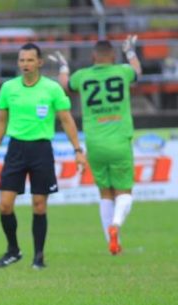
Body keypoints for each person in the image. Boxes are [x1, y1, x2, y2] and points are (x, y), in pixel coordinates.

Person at [0, 43, 86, 270]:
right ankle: (13, 250)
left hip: (41, 150)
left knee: (39, 205)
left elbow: (66, 119)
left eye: (30, 60)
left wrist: (78, 150)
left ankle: (38, 257)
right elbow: (1, 119)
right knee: (4, 205)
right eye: (22, 60)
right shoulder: (9, 88)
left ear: (39, 63)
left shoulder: (52, 89)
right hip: (15, 149)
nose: (25, 64)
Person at [50, 36, 142, 255]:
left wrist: (63, 65)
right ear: (113, 56)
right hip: (119, 140)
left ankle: (112, 243)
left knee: (105, 193)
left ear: (93, 57)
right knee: (124, 192)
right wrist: (130, 52)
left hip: (94, 142)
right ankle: (116, 226)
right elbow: (138, 72)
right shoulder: (122, 71)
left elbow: (65, 84)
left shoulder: (83, 76)